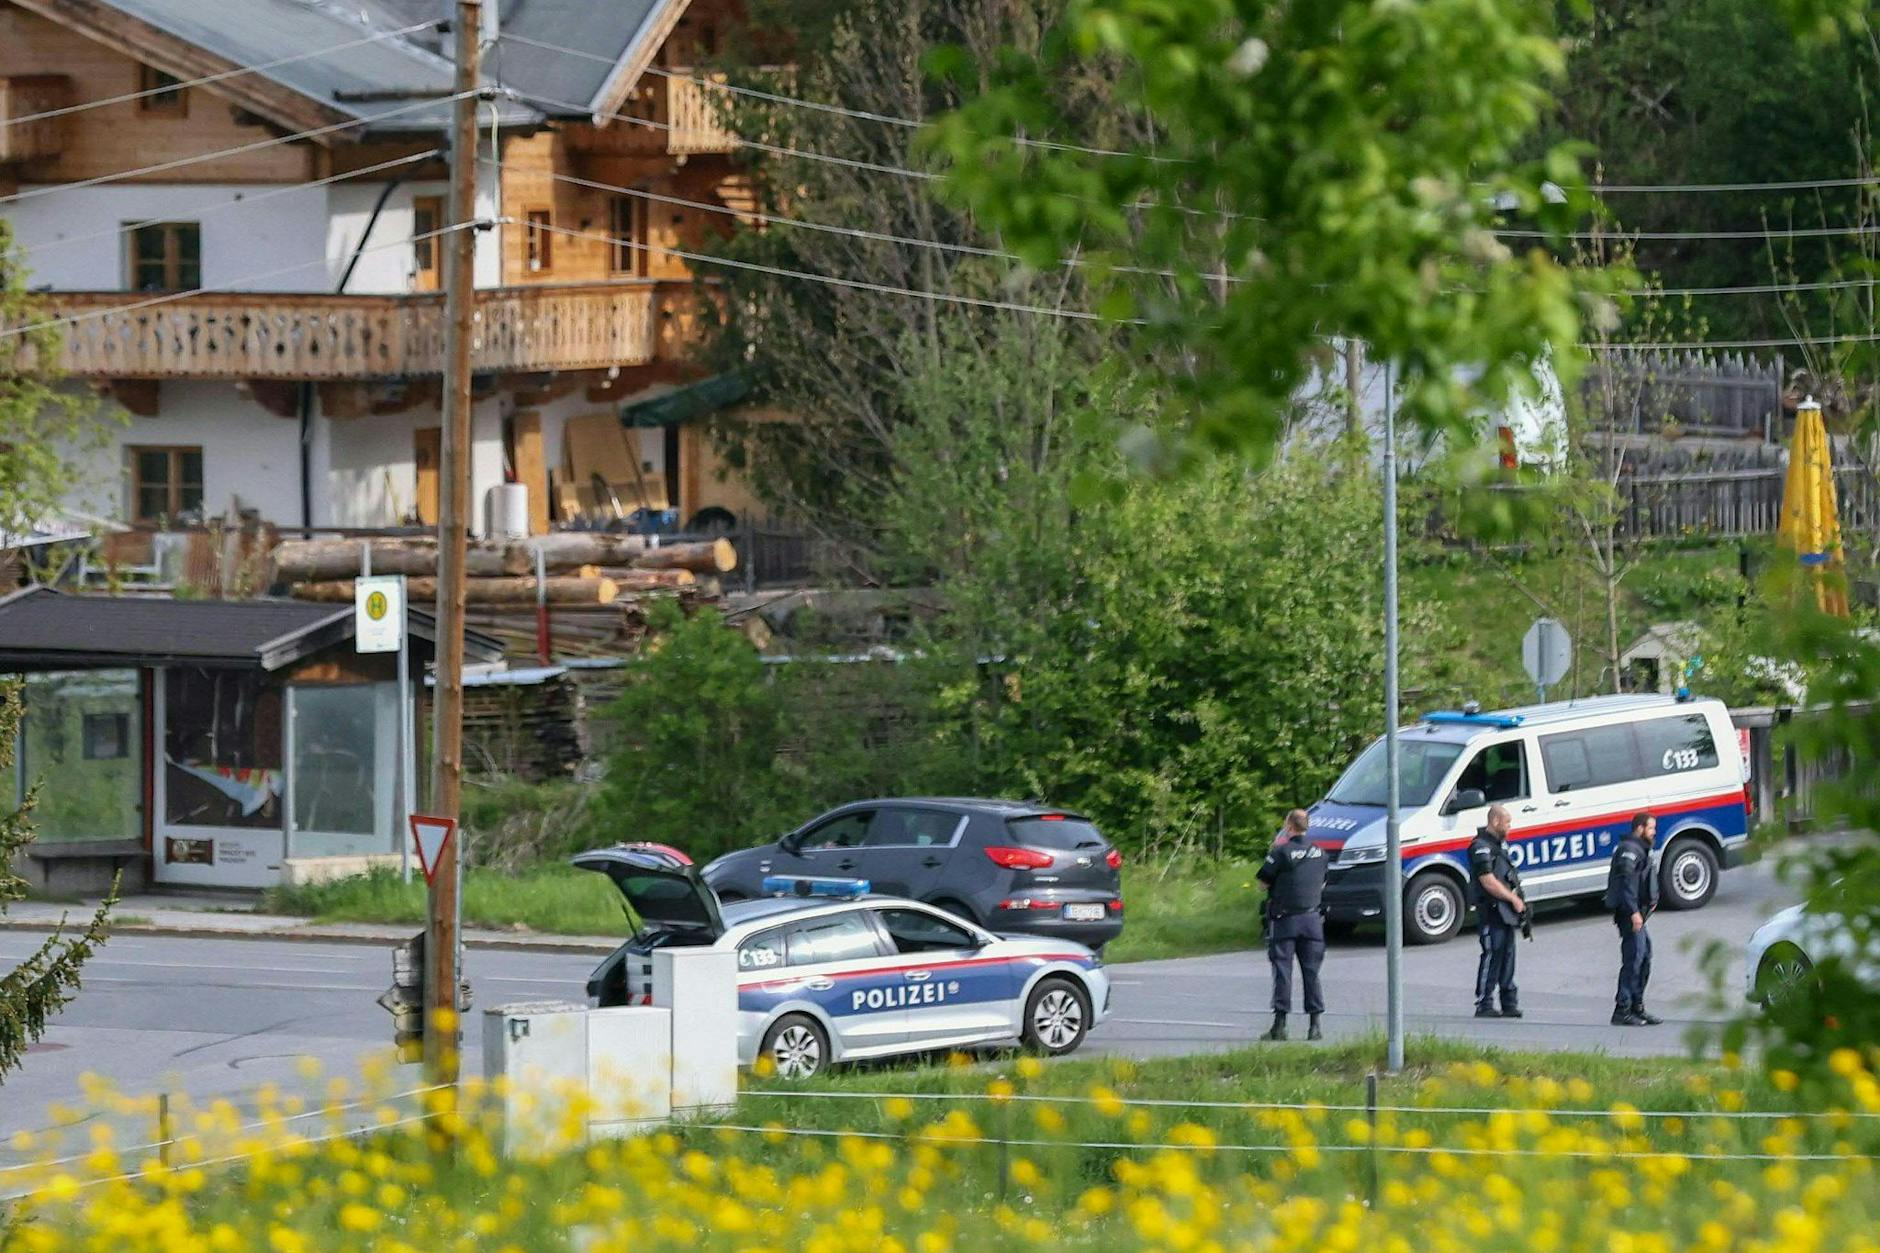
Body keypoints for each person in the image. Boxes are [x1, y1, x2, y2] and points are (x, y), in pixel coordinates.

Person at [1257, 809, 1328, 1042]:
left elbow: (1262, 883)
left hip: (1285, 920)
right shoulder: (1321, 853)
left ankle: (1280, 1026)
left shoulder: (1280, 852)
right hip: (1312, 921)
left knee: (1282, 972)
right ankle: (1315, 1026)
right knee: (1311, 973)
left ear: (1289, 826)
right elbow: (1322, 882)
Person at [1467, 804, 1525, 1019]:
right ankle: (1484, 1002)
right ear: (1495, 821)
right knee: (1492, 956)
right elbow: (1487, 880)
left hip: (1505, 912)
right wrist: (1512, 898)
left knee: (1507, 957)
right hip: (1491, 911)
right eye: (1507, 822)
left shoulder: (1501, 846)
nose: (1510, 827)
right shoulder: (1480, 847)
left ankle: (1509, 1002)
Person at [1605, 812, 1662, 1026]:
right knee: (1633, 960)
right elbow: (1626, 884)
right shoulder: (1629, 851)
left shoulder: (1640, 849)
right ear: (1639, 828)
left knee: (1644, 956)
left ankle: (1637, 1007)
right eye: (1650, 828)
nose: (1653, 832)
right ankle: (1622, 1010)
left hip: (1639, 914)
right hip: (1630, 914)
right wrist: (1634, 912)